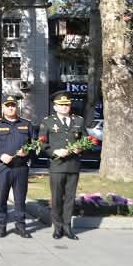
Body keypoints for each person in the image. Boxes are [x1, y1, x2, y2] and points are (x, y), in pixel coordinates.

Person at [39, 90, 87, 240]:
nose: (65, 107)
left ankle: (67, 226)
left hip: (73, 165)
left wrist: (81, 147)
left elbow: (86, 139)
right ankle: (57, 227)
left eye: (67, 104)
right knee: (57, 197)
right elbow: (41, 143)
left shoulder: (78, 120)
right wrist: (54, 152)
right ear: (55, 107)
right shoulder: (48, 121)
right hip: (57, 165)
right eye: (61, 105)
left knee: (70, 198)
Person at [0, 94, 34, 238]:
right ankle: (1, 226)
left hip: (21, 168)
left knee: (20, 199)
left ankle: (20, 226)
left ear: (16, 107)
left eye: (13, 105)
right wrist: (0, 155)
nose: (11, 108)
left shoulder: (26, 124)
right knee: (2, 198)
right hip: (3, 168)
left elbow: (35, 145)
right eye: (7, 106)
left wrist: (27, 152)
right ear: (3, 108)